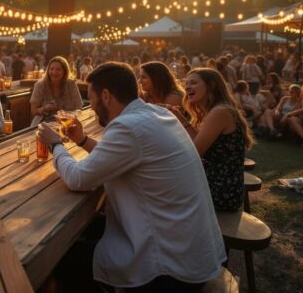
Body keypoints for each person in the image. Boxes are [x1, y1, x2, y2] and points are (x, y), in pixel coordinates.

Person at [37, 62, 225, 291]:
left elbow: (78, 179)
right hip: (193, 252)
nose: (91, 107)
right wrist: (82, 140)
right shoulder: (155, 113)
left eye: (92, 99)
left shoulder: (128, 127)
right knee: (88, 232)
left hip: (169, 268)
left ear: (106, 96)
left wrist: (55, 144)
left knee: (57, 260)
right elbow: (120, 156)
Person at [169, 68, 253, 212]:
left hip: (221, 192)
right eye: (186, 84)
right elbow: (198, 143)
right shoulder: (215, 111)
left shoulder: (220, 112)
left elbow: (194, 153)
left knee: (161, 190)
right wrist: (179, 116)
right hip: (218, 185)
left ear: (212, 85)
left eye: (193, 83)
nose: (187, 87)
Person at [29, 56, 83, 126]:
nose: (54, 72)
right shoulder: (39, 85)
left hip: (66, 123)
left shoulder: (71, 85)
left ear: (64, 71)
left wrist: (64, 114)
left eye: (58, 69)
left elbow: (79, 107)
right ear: (48, 70)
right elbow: (33, 111)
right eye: (51, 69)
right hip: (42, 123)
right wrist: (44, 108)